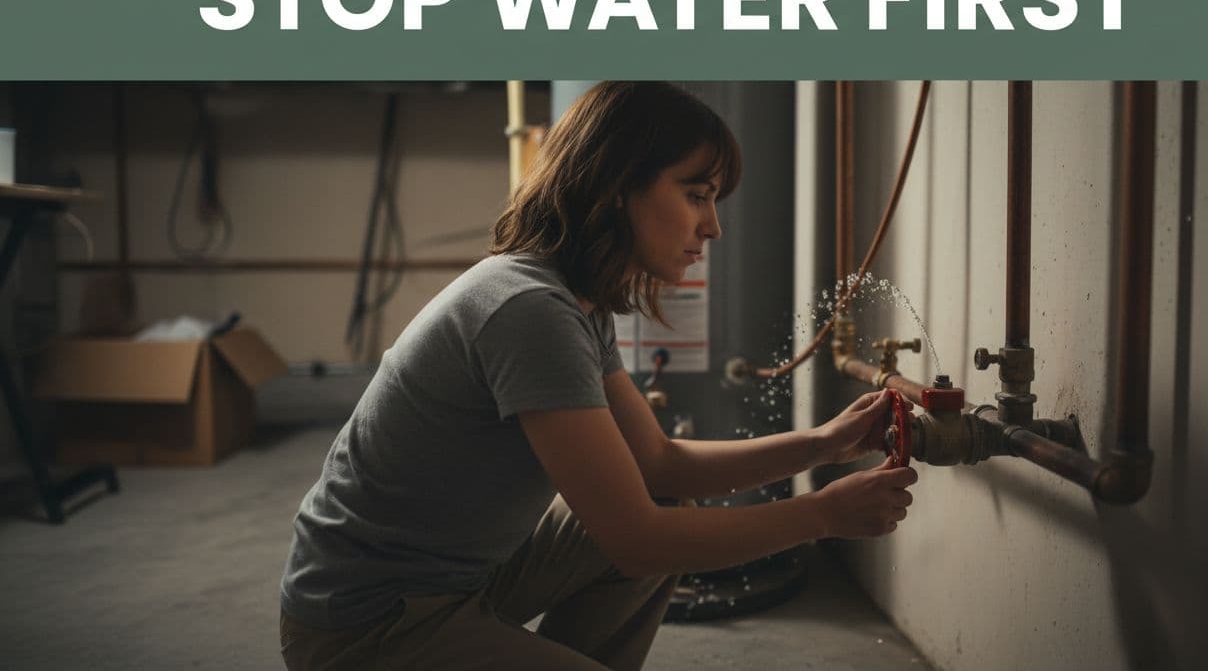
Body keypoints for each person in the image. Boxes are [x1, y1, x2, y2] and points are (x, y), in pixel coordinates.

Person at [278, 82, 918, 670]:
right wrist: (821, 515)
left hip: (455, 579)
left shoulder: (575, 299)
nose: (713, 226)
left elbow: (659, 465)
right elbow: (636, 541)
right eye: (696, 195)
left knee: (662, 500)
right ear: (616, 187)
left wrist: (822, 445)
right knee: (646, 527)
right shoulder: (530, 311)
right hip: (367, 621)